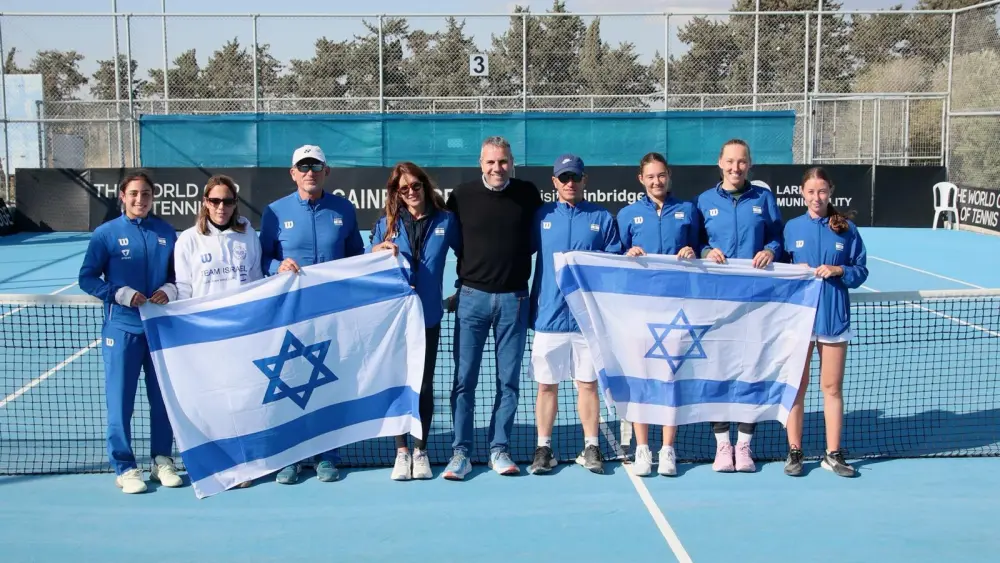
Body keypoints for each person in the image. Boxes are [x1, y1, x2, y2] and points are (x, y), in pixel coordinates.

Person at [258, 144, 365, 484]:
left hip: (332, 315)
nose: (310, 172)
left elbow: (356, 258)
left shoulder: (344, 210)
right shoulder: (274, 212)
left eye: (316, 166)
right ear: (293, 173)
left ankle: (328, 454)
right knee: (290, 382)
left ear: (326, 171)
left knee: (329, 382)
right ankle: (290, 455)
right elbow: (262, 259)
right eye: (303, 167)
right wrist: (277, 266)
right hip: (291, 315)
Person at [442, 136, 542, 480]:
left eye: (503, 161)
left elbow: (533, 241)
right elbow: (453, 241)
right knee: (463, 381)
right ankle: (461, 452)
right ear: (480, 164)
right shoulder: (461, 196)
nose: (497, 168)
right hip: (472, 299)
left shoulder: (528, 193)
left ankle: (499, 449)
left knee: (508, 383)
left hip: (515, 300)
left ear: (511, 163)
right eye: (491, 162)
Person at [78, 171, 182, 494]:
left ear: (153, 197)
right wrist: (119, 293)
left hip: (160, 330)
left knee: (162, 400)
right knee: (120, 402)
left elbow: (178, 276)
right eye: (134, 194)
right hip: (122, 330)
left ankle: (161, 460)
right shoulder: (106, 234)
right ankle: (125, 467)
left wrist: (170, 289)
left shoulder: (166, 232)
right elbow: (87, 278)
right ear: (122, 196)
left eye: (146, 194)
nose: (140, 199)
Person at [526, 154, 623, 476]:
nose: (570, 183)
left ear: (585, 180)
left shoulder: (602, 218)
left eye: (575, 177)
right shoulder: (541, 217)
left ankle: (592, 446)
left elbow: (614, 264)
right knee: (546, 386)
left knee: (588, 384)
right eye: (564, 178)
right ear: (554, 182)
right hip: (549, 317)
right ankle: (543, 447)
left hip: (587, 320)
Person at [696, 138, 784, 473]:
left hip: (755, 301)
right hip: (717, 301)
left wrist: (770, 251)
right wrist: (706, 251)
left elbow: (777, 237)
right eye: (730, 161)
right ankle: (722, 444)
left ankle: (745, 444)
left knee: (752, 369)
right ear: (720, 163)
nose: (736, 167)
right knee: (718, 369)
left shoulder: (764, 198)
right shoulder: (704, 201)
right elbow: (695, 241)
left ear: (750, 164)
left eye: (742, 161)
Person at [369, 162, 461, 481]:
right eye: (403, 188)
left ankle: (420, 450)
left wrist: (460, 289)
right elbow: (367, 263)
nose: (410, 192)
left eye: (415, 186)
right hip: (395, 320)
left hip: (429, 316)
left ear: (425, 185)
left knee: (423, 384)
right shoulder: (386, 225)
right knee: (399, 382)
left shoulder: (446, 220)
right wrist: (377, 250)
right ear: (396, 193)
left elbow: (469, 255)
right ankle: (401, 451)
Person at [173, 174, 263, 488]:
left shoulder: (248, 235)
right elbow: (184, 288)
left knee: (242, 400)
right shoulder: (188, 240)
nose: (221, 207)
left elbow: (256, 279)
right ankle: (217, 462)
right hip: (204, 336)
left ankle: (244, 463)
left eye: (227, 201)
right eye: (215, 201)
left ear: (235, 203)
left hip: (241, 333)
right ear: (205, 203)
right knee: (212, 403)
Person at [615, 152, 700, 477]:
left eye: (661, 175)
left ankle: (667, 449)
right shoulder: (628, 214)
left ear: (669, 175)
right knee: (641, 377)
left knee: (669, 377)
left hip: (678, 307)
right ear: (641, 179)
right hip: (640, 310)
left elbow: (702, 249)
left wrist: (693, 251)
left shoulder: (687, 211)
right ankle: (642, 449)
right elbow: (613, 257)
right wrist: (628, 254)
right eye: (650, 176)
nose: (656, 181)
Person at [782, 167, 868, 478]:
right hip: (799, 321)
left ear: (830, 191)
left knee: (831, 387)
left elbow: (860, 271)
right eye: (811, 192)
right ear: (802, 194)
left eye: (822, 191)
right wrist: (795, 271)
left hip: (834, 319)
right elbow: (779, 270)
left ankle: (833, 453)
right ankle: (795, 451)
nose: (816, 197)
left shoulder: (847, 229)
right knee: (797, 386)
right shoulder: (791, 228)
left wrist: (839, 270)